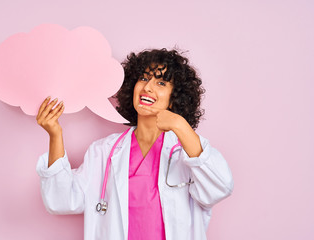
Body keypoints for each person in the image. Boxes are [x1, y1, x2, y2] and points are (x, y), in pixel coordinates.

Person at [36, 48, 234, 240]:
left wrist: (181, 127)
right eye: (144, 78)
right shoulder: (104, 151)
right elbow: (60, 200)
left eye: (161, 83)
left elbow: (219, 188)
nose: (148, 87)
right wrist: (55, 135)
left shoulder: (186, 149)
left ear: (175, 98)